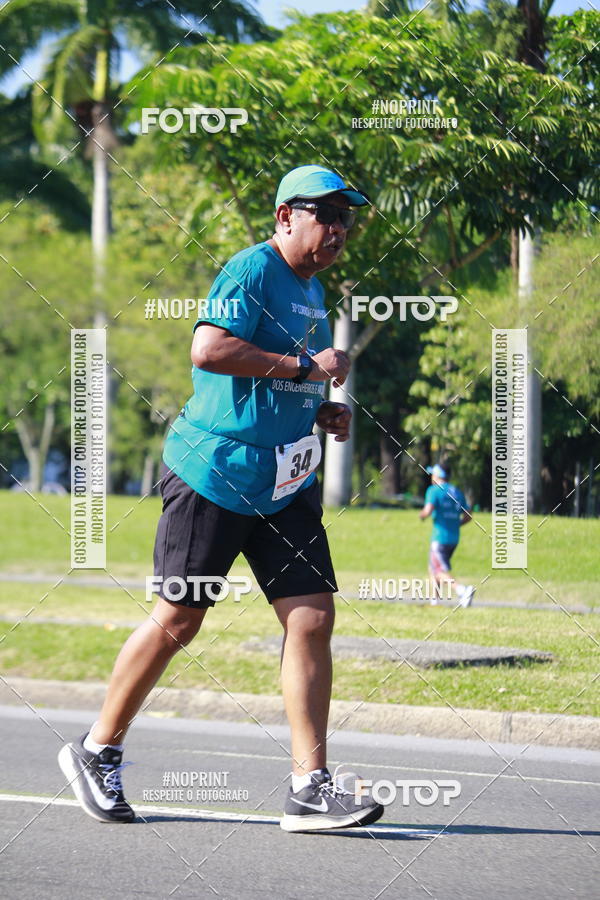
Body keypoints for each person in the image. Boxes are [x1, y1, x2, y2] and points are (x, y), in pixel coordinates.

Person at [58, 164, 384, 833]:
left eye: (346, 218)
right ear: (284, 216)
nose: (339, 229)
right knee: (180, 619)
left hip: (284, 480)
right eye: (325, 214)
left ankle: (309, 788)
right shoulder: (252, 269)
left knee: (312, 617)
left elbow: (280, 379)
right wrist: (302, 369)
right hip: (216, 472)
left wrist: (315, 411)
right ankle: (97, 749)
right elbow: (207, 349)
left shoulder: (310, 290)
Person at [419, 462, 475, 607]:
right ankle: (435, 601)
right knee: (434, 568)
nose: (432, 476)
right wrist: (457, 524)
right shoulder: (456, 492)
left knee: (438, 570)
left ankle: (462, 590)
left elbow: (428, 509)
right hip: (454, 538)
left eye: (433, 473)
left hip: (440, 537)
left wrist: (422, 515)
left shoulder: (434, 490)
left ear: (438, 475)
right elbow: (468, 515)